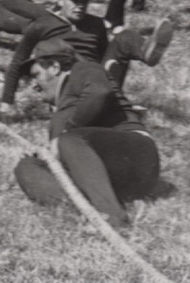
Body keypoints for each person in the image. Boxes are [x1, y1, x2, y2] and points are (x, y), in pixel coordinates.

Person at [12, 49, 160, 229]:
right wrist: (41, 155)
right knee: (26, 166)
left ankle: (114, 219)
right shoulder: (61, 111)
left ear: (54, 67)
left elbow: (99, 91)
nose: (34, 85)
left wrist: (66, 132)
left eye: (36, 75)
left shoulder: (81, 70)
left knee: (68, 140)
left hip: (135, 156)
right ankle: (84, 213)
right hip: (103, 179)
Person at [0, 0, 173, 106]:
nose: (80, 6)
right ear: (61, 1)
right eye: (74, 0)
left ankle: (146, 52)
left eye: (83, 1)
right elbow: (17, 62)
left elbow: (104, 54)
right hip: (67, 79)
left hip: (94, 73)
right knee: (57, 48)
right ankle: (107, 90)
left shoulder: (96, 23)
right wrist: (6, 102)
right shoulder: (42, 24)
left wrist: (111, 63)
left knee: (124, 36)